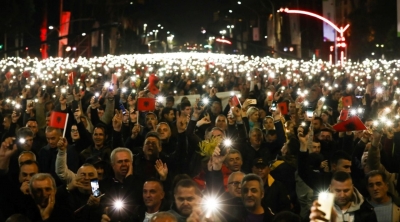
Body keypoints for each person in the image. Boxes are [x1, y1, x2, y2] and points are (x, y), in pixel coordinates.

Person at [309, 171, 377, 222]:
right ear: (330, 188)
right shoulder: (319, 209)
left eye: (346, 190)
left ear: (352, 188)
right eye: (338, 191)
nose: (342, 195)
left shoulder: (366, 211)